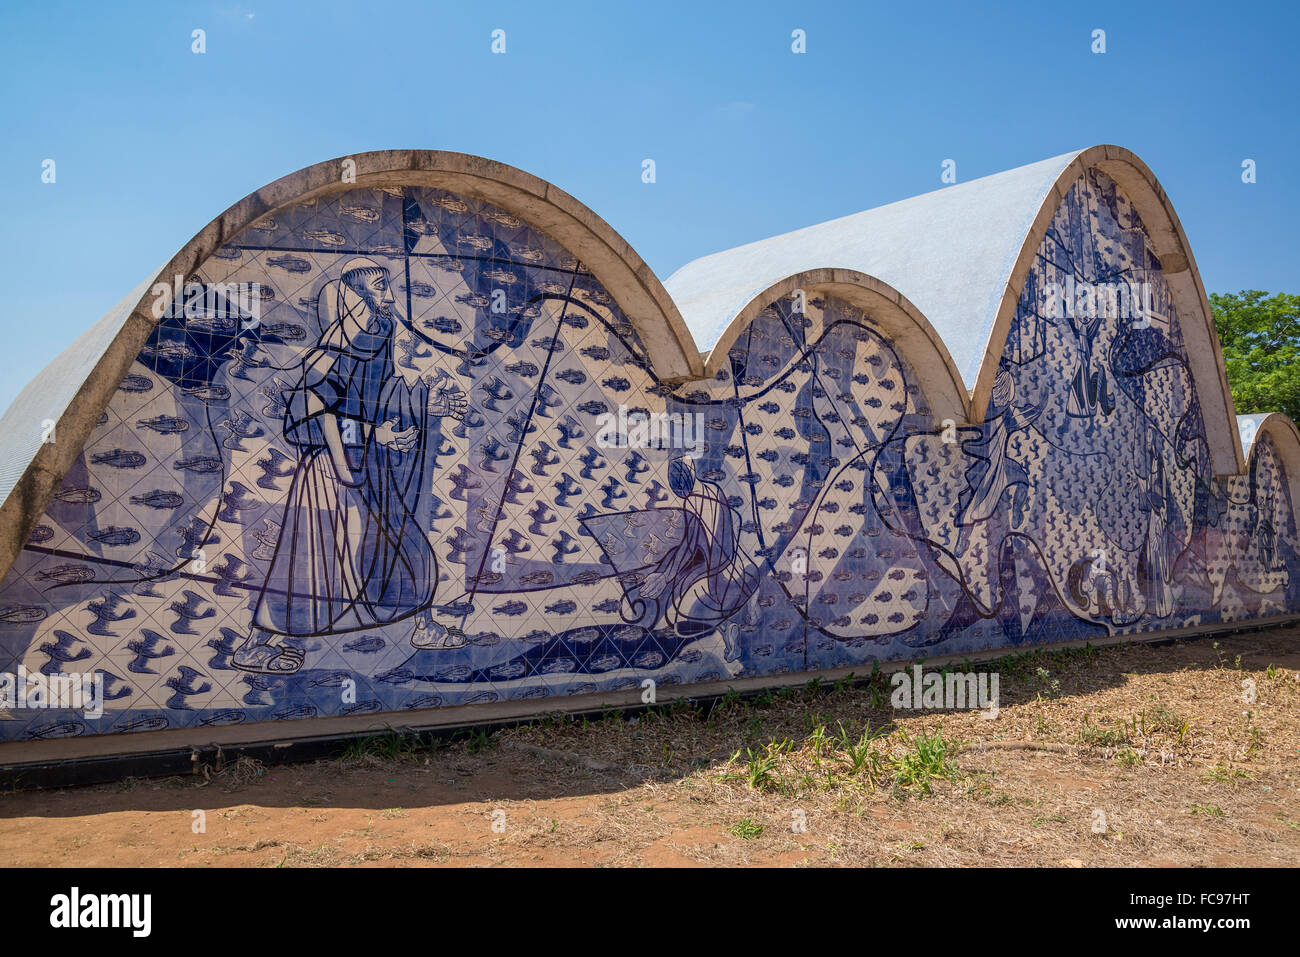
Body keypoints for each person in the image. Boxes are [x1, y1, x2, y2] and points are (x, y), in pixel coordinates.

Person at [231, 258, 466, 674]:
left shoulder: (376, 342)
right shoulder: (330, 352)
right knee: (309, 559)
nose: (389, 296)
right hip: (331, 471)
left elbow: (383, 392)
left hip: (372, 468)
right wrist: (374, 434)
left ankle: (422, 625)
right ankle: (255, 645)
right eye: (378, 287)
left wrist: (428, 403)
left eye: (387, 285)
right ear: (352, 296)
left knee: (403, 541)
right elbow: (302, 419)